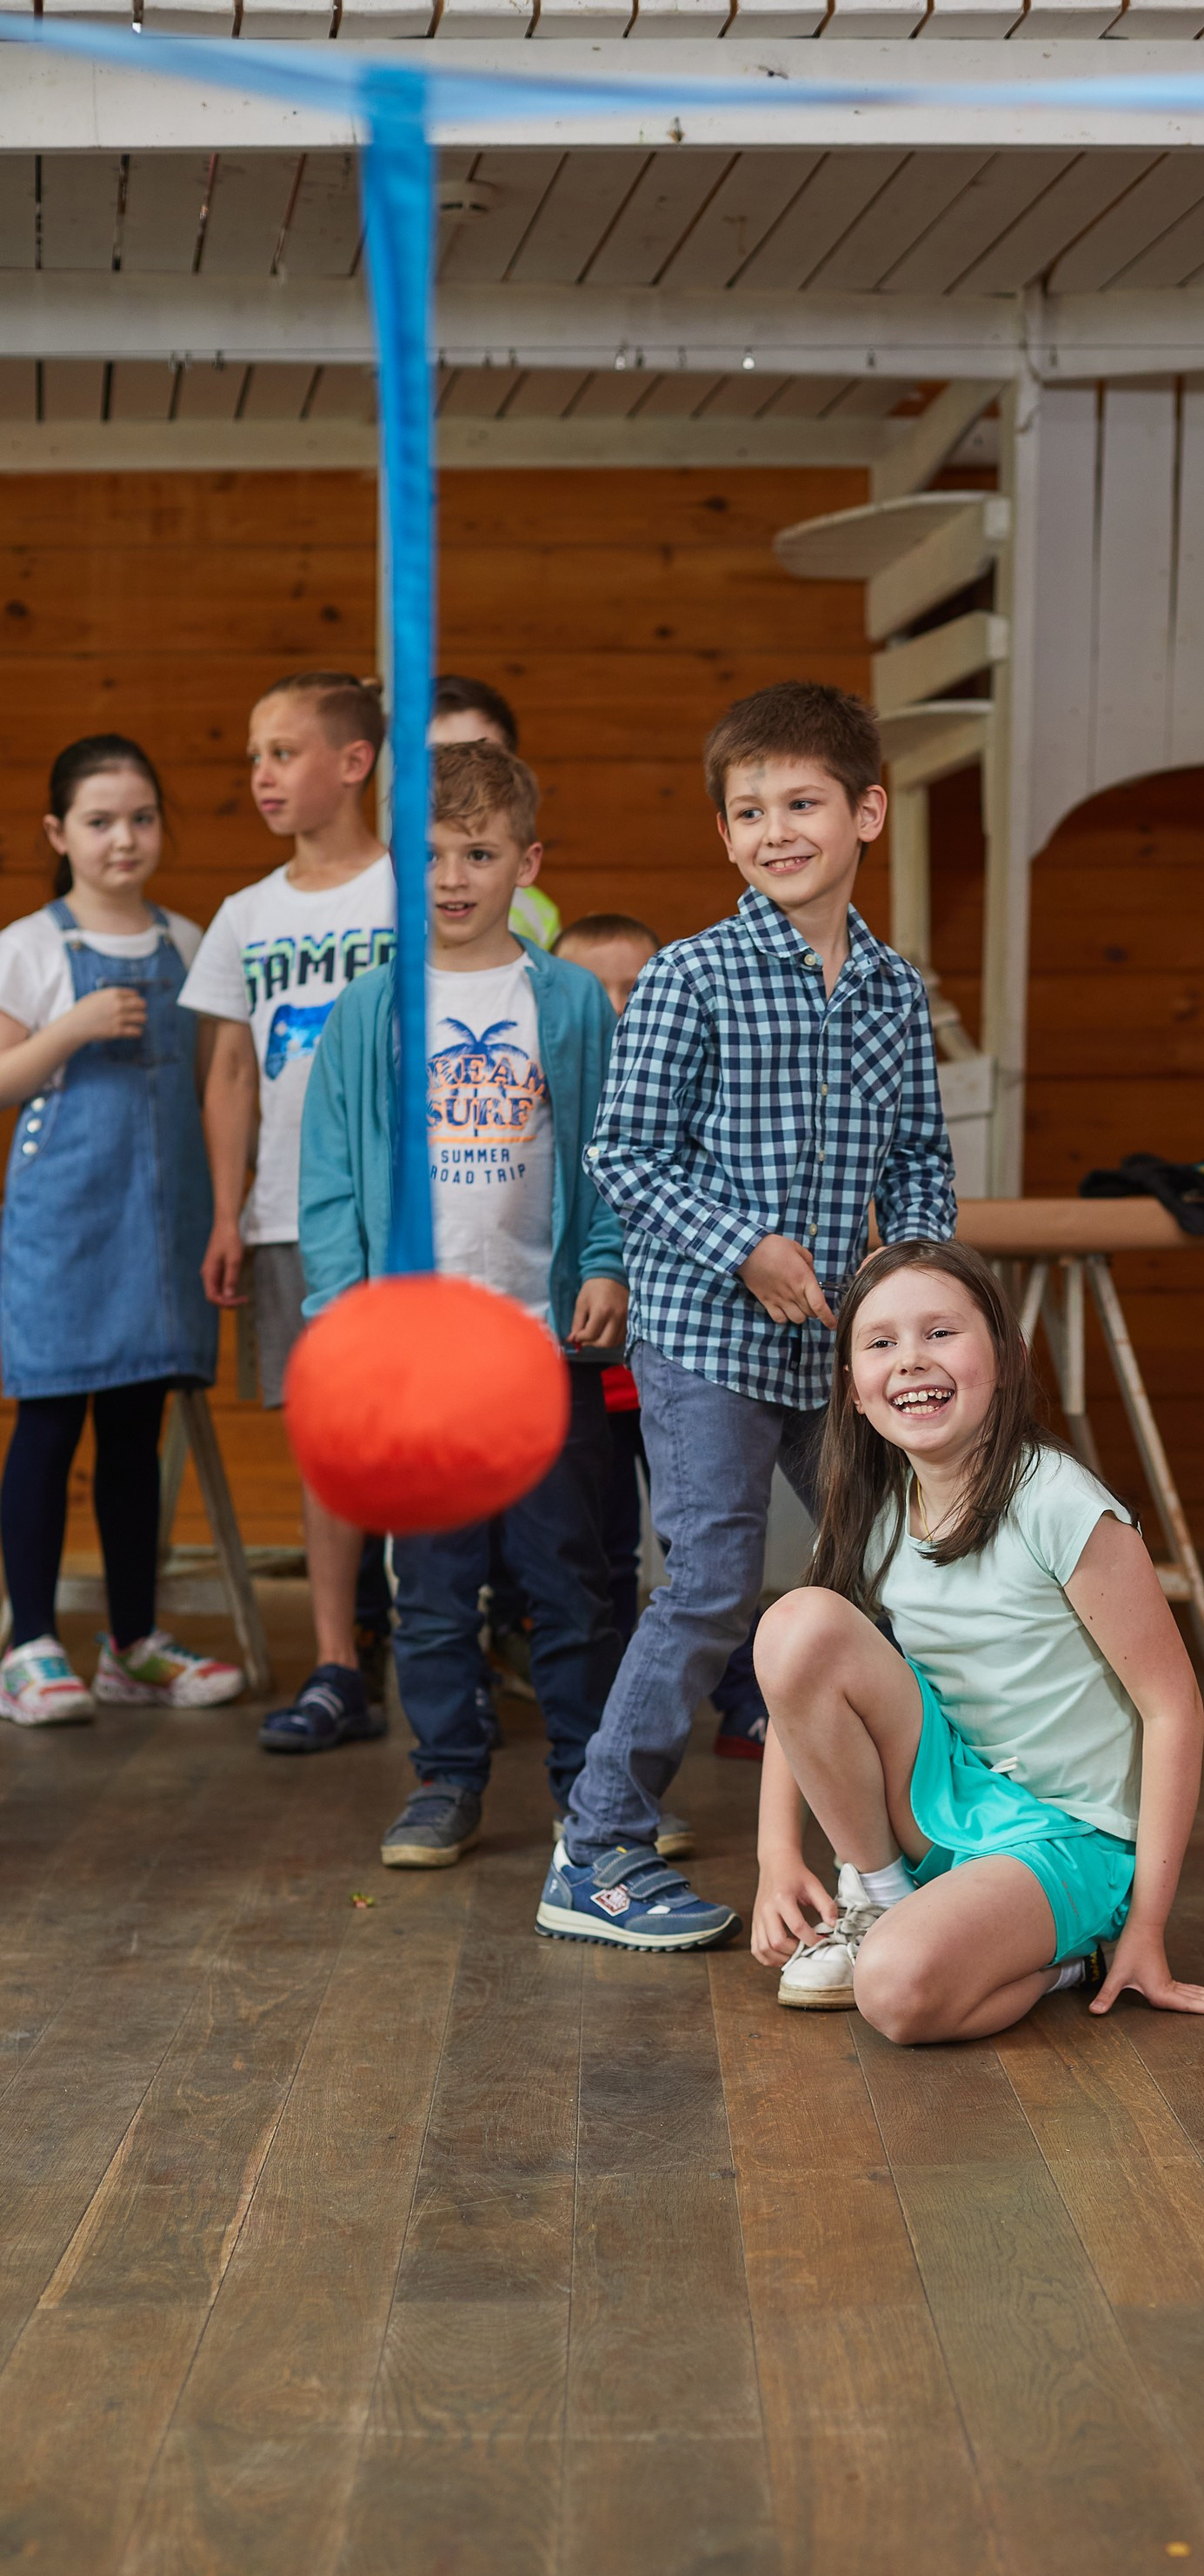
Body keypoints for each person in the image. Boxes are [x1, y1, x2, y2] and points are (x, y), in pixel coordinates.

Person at [534, 680, 955, 1954]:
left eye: (804, 803)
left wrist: (922, 1301)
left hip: (843, 1354)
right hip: (709, 1341)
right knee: (713, 1586)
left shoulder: (892, 990)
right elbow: (627, 1154)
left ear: (866, 812)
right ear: (724, 836)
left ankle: (901, 1845)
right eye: (750, 810)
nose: (777, 829)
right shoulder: (691, 978)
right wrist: (751, 1249)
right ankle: (599, 1848)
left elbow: (922, 1163)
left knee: (885, 1578)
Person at [750, 1241, 1204, 2041]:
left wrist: (1149, 1927)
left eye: (941, 1333)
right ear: (854, 1391)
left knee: (896, 1996)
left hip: (1066, 1837)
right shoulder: (870, 1508)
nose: (911, 1361)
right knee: (796, 1623)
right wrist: (777, 1855)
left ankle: (1075, 1955)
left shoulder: (1060, 1502)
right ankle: (877, 1899)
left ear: (1009, 1358)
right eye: (881, 1344)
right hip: (946, 1799)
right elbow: (792, 1684)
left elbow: (1173, 1710)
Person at [298, 739, 627, 1868]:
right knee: (434, 1589)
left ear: (526, 864)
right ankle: (444, 1782)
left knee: (570, 1584)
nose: (453, 877)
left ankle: (596, 1787)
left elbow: (612, 1153)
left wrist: (608, 1261)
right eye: (431, 855)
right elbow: (331, 1174)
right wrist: (346, 1315)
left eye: (480, 853)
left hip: (544, 1349)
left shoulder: (574, 1003)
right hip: (417, 1361)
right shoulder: (369, 1011)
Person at [0, 736, 242, 1722]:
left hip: (165, 1227)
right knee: (51, 1424)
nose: (124, 838)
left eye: (141, 817)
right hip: (62, 1228)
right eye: (100, 821)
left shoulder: (189, 942)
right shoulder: (27, 947)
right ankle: (30, 1643)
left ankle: (131, 1641)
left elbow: (211, 1090)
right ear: (61, 832)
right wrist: (73, 1028)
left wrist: (222, 1212)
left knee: (137, 1431)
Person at [178, 672, 397, 1754]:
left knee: (421, 1430)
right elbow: (227, 1074)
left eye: (284, 751)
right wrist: (228, 1212)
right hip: (285, 1220)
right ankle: (336, 1665)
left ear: (352, 762)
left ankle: (455, 1648)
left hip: (410, 1216)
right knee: (327, 1442)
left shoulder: (413, 889)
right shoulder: (245, 915)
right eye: (254, 755)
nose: (261, 774)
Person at [555, 910, 769, 1768]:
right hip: (579, 1365)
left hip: (678, 1361)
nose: (614, 1008)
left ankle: (745, 1698)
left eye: (634, 988)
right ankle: (618, 1724)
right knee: (600, 1548)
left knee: (703, 1550)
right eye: (591, 989)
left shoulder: (693, 1087)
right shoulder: (548, 1085)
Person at [429, 675, 561, 951]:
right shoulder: (366, 896)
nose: (460, 778)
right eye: (437, 761)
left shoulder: (538, 915)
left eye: (482, 759)